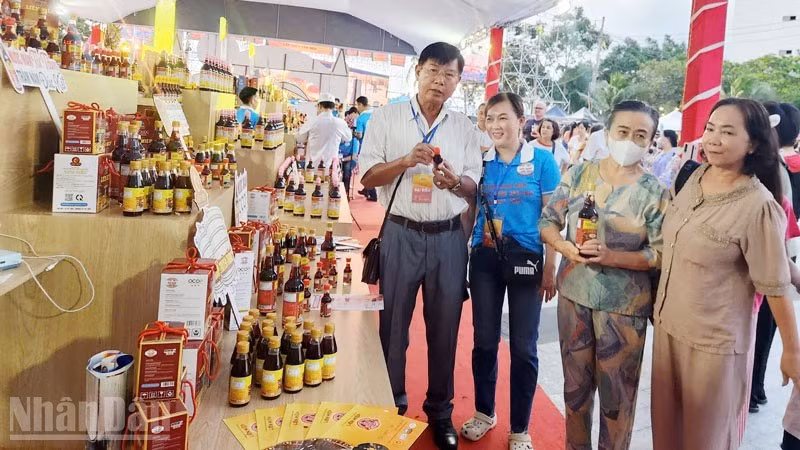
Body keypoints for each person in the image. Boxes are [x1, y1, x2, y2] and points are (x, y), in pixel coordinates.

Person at [651, 98, 800, 450]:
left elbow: (775, 285)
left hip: (713, 348)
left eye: (728, 132)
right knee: (667, 438)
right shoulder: (695, 177)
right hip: (668, 331)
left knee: (704, 442)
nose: (713, 139)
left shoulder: (758, 205)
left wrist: (792, 351)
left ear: (754, 144)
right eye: (710, 129)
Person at [359, 42, 482, 450]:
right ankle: (391, 405)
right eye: (433, 71)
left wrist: (452, 181)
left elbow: (472, 187)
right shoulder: (387, 116)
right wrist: (405, 161)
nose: (440, 81)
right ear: (417, 71)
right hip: (399, 233)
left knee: (445, 329)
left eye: (449, 75)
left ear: (458, 81)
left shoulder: (464, 127)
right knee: (392, 326)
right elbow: (367, 178)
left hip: (448, 238)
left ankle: (441, 412)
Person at [539, 100, 668, 450]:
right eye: (623, 132)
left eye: (640, 135)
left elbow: (660, 254)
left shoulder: (655, 192)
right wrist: (564, 249)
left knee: (618, 401)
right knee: (575, 392)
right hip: (574, 296)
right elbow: (549, 220)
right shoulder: (581, 173)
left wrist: (614, 256)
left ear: (651, 141)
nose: (629, 140)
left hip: (624, 309)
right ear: (608, 132)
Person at [459, 93, 560, 450]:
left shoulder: (543, 161)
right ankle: (485, 412)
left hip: (527, 260)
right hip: (485, 259)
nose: (496, 126)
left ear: (521, 120)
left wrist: (552, 267)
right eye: (490, 119)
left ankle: (521, 427)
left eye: (504, 118)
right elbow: (469, 210)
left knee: (524, 346)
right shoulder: (480, 162)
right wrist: (464, 254)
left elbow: (553, 218)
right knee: (484, 341)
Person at [750, 101, 800, 413]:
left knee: (762, 325)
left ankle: (753, 389)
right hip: (780, 263)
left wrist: (792, 347)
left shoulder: (770, 176)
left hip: (770, 272)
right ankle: (755, 389)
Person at [296, 93, 352, 168]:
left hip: (312, 167)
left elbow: (299, 138)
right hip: (331, 168)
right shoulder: (340, 123)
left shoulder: (312, 121)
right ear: (333, 107)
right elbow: (348, 138)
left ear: (319, 106)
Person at [353, 96, 377, 201]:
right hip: (378, 146)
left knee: (366, 171)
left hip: (366, 147)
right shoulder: (376, 114)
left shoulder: (361, 118)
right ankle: (366, 189)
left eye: (357, 105)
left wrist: (353, 133)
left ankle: (373, 194)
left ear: (360, 105)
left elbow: (359, 135)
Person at [340, 107, 360, 197]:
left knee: (346, 170)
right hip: (338, 157)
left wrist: (342, 159)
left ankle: (345, 193)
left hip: (348, 159)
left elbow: (354, 156)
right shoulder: (339, 134)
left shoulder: (354, 138)